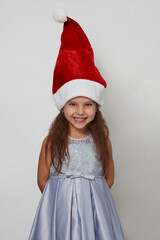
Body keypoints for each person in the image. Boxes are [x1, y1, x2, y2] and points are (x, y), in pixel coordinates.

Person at [28, 8, 125, 240]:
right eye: (73, 104)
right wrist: (64, 199)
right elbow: (43, 181)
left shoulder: (102, 141)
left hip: (95, 211)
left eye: (88, 105)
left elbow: (108, 177)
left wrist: (88, 197)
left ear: (97, 108)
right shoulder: (52, 141)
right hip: (59, 210)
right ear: (63, 107)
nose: (80, 111)